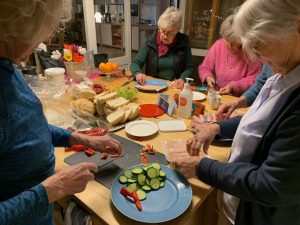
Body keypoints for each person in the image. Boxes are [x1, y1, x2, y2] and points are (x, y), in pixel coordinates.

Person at [174, 0, 300, 224]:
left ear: (296, 26)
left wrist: (203, 166)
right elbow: (262, 123)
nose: (253, 56)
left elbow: (272, 186)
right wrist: (216, 127)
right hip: (239, 203)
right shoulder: (283, 73)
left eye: (258, 43)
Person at [0, 1, 122, 225]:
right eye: (39, 28)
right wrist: (52, 189)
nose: (46, 40)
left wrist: (79, 138)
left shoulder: (8, 67)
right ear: (13, 26)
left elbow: (26, 129)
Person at [198, 14, 263, 96]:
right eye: (226, 41)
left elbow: (254, 78)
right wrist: (208, 76)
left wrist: (234, 86)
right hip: (218, 95)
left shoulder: (251, 51)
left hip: (240, 99)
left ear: (243, 41)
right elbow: (204, 68)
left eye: (233, 44)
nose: (228, 46)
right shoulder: (219, 45)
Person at [130, 6, 193, 89]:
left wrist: (182, 79)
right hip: (153, 86)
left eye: (169, 33)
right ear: (159, 27)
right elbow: (135, 63)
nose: (165, 36)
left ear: (177, 31)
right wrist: (137, 73)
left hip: (173, 87)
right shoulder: (150, 41)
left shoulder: (184, 41)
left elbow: (189, 67)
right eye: (163, 31)